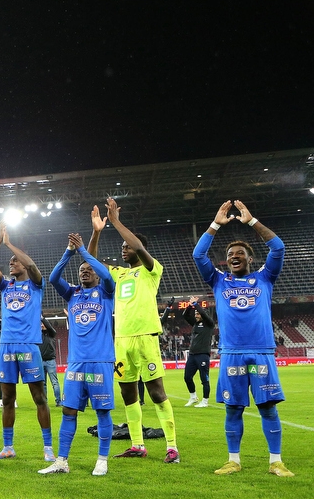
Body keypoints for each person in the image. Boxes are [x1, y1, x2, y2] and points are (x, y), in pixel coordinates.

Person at [192, 200, 292, 477]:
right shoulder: (219, 280)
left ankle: (276, 461)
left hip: (261, 352)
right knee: (233, 409)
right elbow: (199, 256)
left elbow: (279, 247)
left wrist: (251, 221)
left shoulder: (265, 278)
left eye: (239, 253)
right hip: (231, 353)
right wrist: (215, 225)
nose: (234, 256)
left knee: (268, 408)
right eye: (230, 254)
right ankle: (233, 460)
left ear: (250, 259)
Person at [88, 199, 179, 463]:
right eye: (122, 247)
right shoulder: (119, 274)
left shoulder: (152, 270)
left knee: (156, 392)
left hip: (146, 337)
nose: (124, 249)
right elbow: (92, 262)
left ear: (140, 250)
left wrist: (116, 222)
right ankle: (137, 444)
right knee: (128, 393)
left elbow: (137, 244)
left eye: (127, 246)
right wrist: (97, 232)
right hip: (122, 340)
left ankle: (172, 446)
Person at [42, 232, 116, 475]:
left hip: (100, 361)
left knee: (102, 411)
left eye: (88, 269)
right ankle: (62, 461)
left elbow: (106, 274)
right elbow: (53, 277)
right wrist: (69, 252)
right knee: (68, 410)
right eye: (81, 270)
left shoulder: (106, 291)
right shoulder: (72, 293)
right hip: (75, 363)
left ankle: (102, 460)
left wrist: (84, 251)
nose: (84, 271)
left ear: (96, 272)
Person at [0, 222, 53, 461]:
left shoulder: (35, 284)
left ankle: (47, 449)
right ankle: (8, 447)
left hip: (28, 345)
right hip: (6, 346)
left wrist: (11, 243)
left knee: (39, 398)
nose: (11, 262)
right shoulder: (6, 285)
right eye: (10, 260)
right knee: (7, 399)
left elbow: (32, 265)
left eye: (15, 260)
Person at [181, 296, 215, 408]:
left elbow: (204, 315)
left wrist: (196, 304)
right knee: (187, 377)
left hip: (203, 355)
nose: (196, 315)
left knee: (204, 379)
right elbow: (185, 315)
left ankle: (205, 401)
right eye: (195, 314)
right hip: (192, 355)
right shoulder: (195, 324)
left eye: (198, 314)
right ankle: (193, 397)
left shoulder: (209, 324)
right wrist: (190, 306)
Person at [40, 316, 62, 406]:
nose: (42, 325)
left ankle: (58, 401)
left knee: (54, 382)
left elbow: (49, 326)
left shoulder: (52, 333)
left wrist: (42, 319)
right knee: (43, 383)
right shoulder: (39, 335)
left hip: (50, 361)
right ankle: (44, 401)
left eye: (43, 324)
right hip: (41, 361)